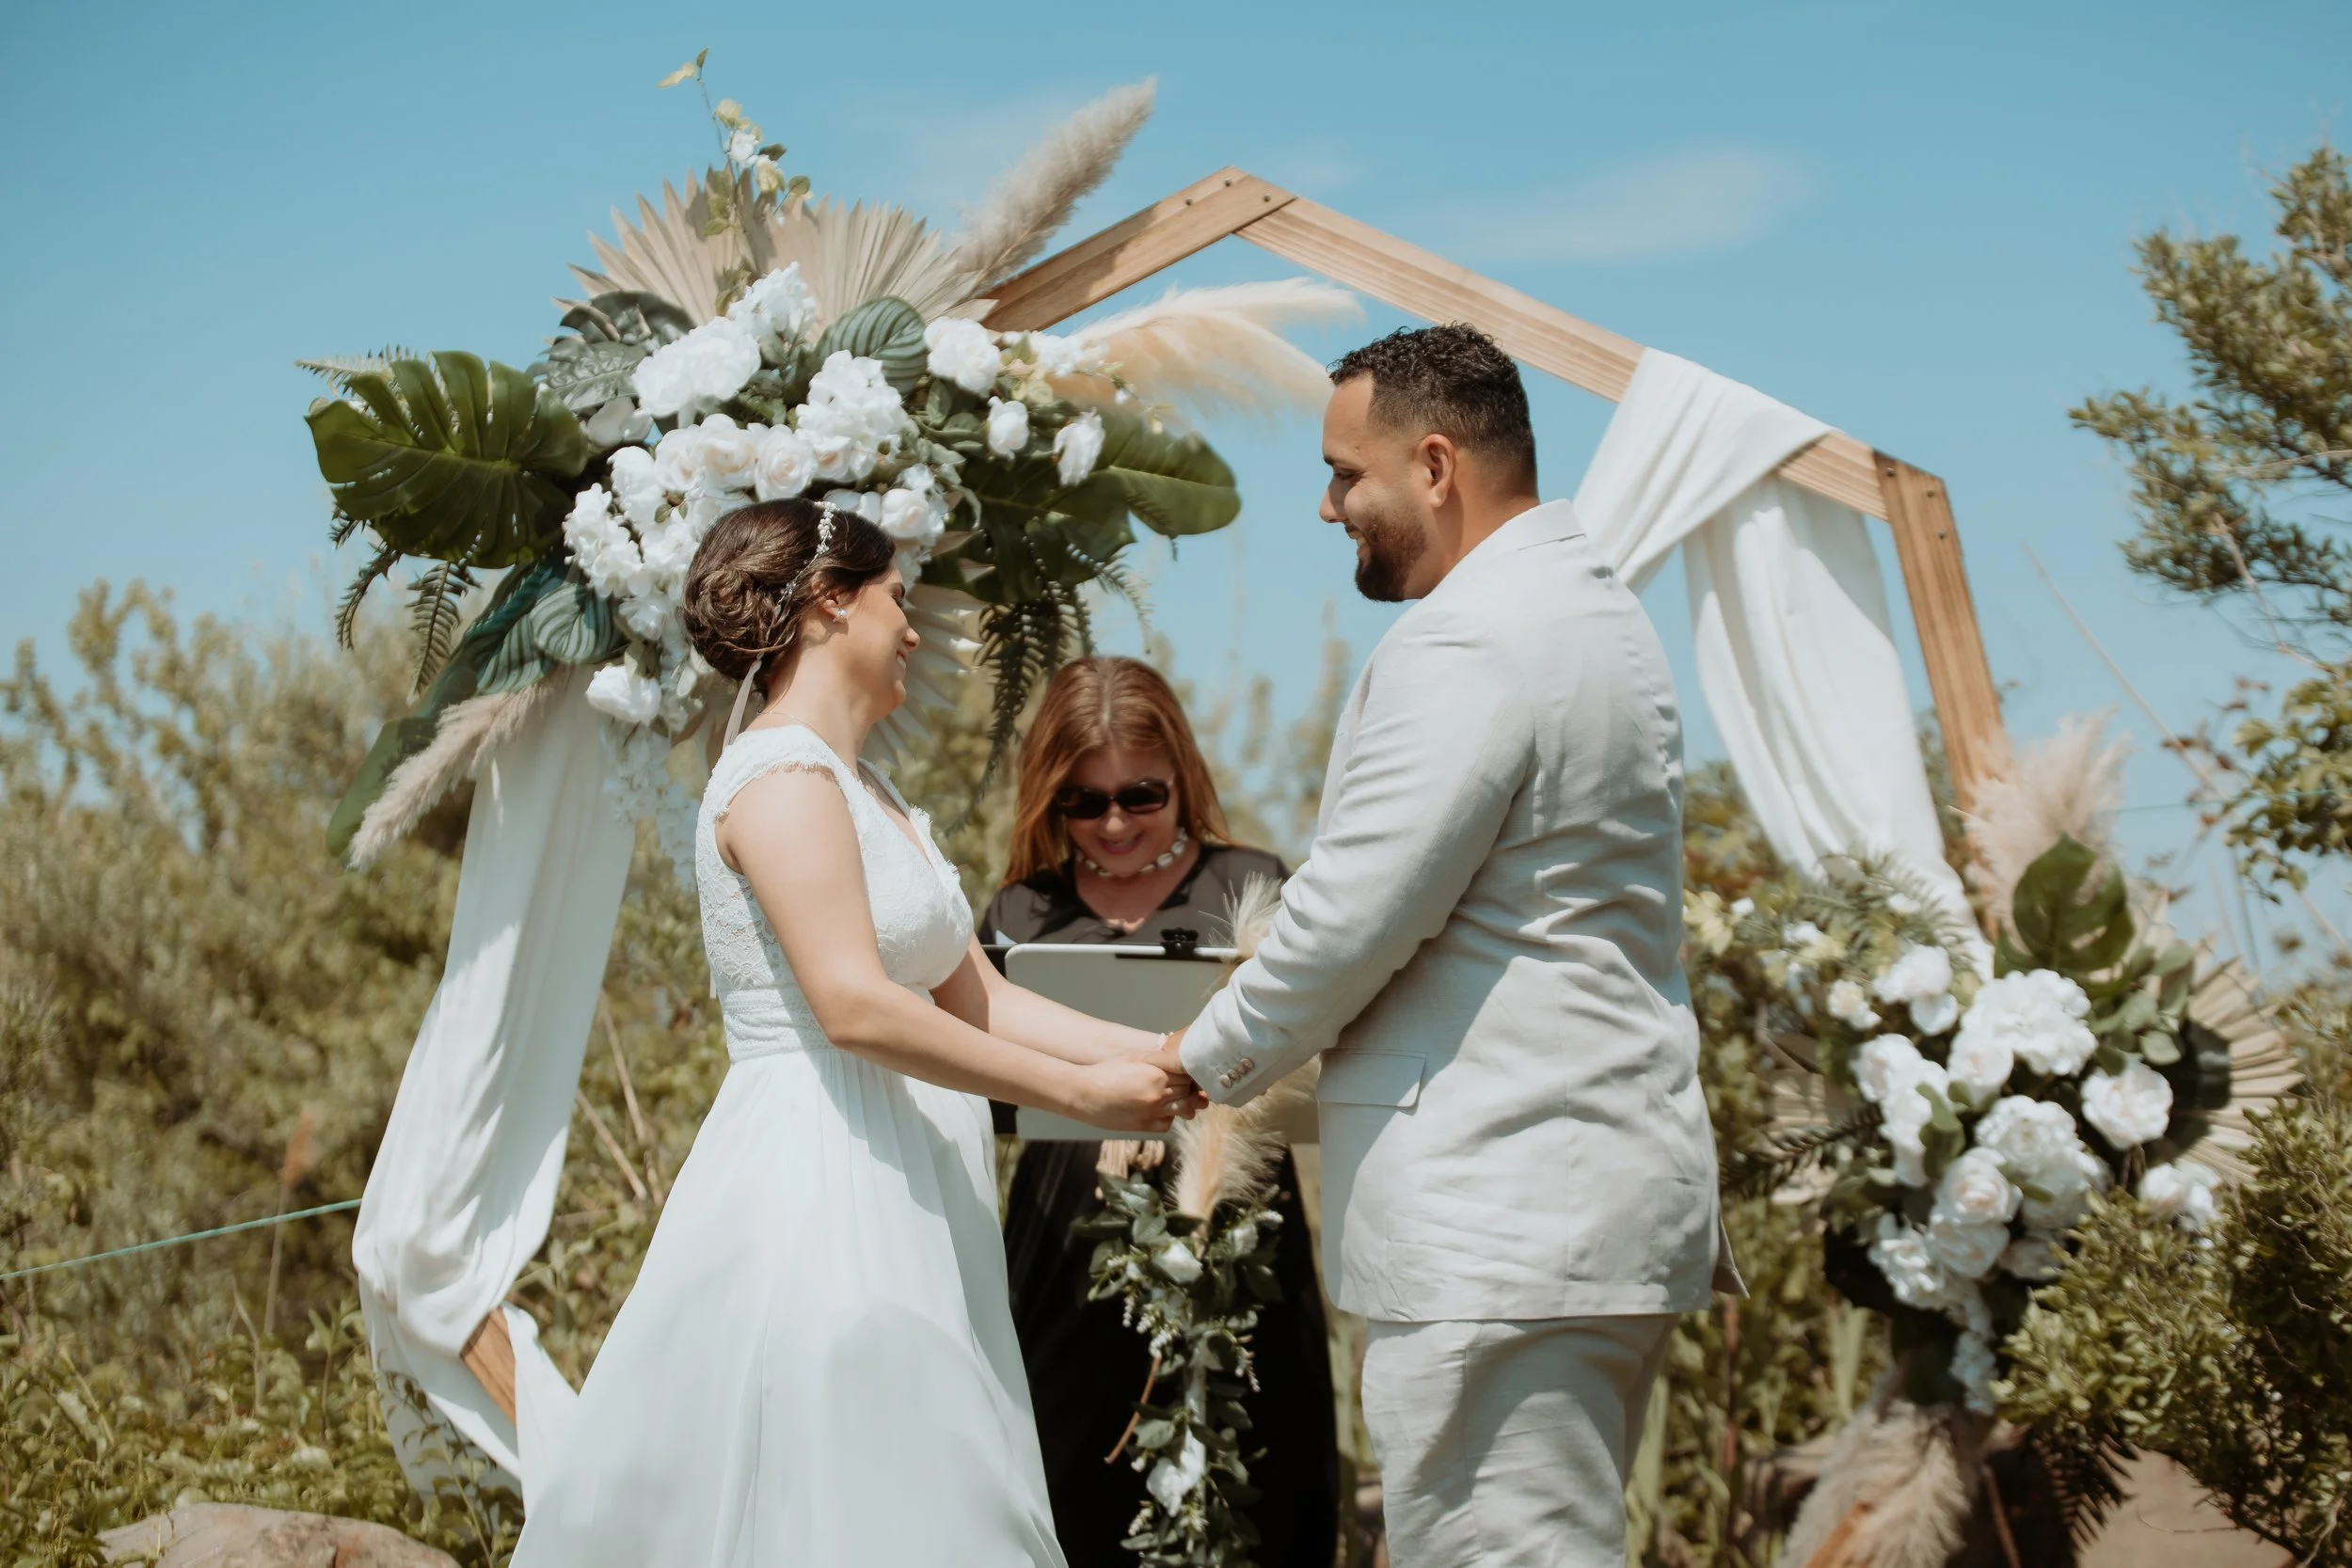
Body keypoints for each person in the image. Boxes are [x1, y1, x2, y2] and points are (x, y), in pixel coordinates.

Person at [511, 499, 1200, 1568]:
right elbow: (855, 1005)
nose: (912, 628)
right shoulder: (776, 778)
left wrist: (1154, 1053)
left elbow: (980, 995)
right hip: (824, 1175)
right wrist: (1082, 1102)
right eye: (894, 596)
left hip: (911, 1177)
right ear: (832, 603)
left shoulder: (866, 788)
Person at [1158, 325, 1734, 1568]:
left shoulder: (1475, 634)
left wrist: (1200, 1058)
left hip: (1502, 1224)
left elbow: (1360, 907)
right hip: (1574, 1212)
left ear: (1432, 465)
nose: (1326, 506)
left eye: (1343, 474)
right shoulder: (1593, 609)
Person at [984, 657, 1339, 1568]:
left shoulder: (1252, 883)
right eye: (1081, 802)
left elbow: (1313, 1047)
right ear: (1047, 798)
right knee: (1069, 1479)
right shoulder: (1019, 909)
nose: (1111, 824)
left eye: (1140, 795)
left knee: (1261, 1473)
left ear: (1181, 772)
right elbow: (982, 1080)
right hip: (1065, 1236)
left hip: (1235, 1220)